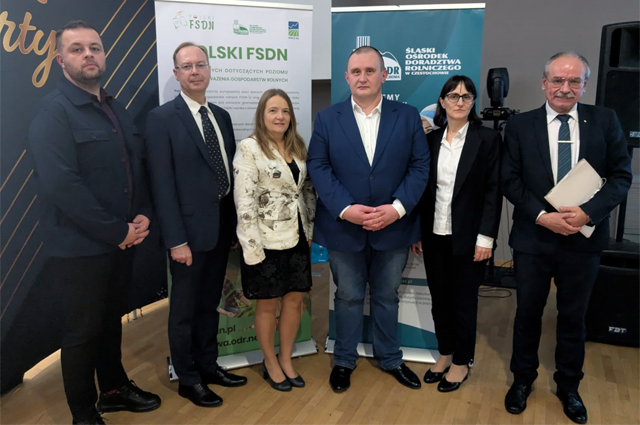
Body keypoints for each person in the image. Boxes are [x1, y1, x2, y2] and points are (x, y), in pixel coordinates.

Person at [28, 20, 161, 425]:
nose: (88, 54)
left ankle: (114, 390)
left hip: (121, 240)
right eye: (77, 49)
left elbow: (132, 167)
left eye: (95, 47)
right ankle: (84, 415)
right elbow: (62, 186)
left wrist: (142, 213)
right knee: (82, 333)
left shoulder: (114, 107)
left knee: (109, 321)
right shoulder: (53, 113)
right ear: (60, 60)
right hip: (79, 248)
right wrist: (116, 231)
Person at [501, 51, 632, 424]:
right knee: (527, 313)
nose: (565, 88)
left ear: (585, 85)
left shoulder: (605, 120)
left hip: (583, 238)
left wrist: (589, 212)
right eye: (558, 80)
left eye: (575, 81)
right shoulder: (520, 125)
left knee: (573, 316)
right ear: (545, 83)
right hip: (533, 238)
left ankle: (569, 386)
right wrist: (544, 217)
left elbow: (621, 176)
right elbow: (510, 179)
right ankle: (522, 380)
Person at [307, 46, 430, 393]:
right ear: (346, 77)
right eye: (356, 72)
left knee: (387, 296)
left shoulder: (407, 116)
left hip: (394, 226)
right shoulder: (327, 118)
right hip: (344, 227)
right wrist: (346, 208)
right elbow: (318, 166)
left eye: (370, 70)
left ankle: (390, 357)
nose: (363, 77)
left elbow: (420, 166)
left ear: (384, 75)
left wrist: (397, 209)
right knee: (347, 296)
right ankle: (344, 359)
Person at [145, 42, 247, 408]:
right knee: (184, 311)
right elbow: (161, 184)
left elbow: (227, 175)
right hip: (186, 237)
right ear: (176, 74)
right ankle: (188, 379)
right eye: (186, 66)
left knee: (209, 305)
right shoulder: (161, 119)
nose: (194, 71)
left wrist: (232, 227)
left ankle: (208, 365)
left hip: (219, 231)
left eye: (200, 64)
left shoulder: (220, 116)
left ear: (209, 69)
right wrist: (175, 240)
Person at [411, 76, 502, 393]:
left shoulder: (487, 139)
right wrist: (418, 231)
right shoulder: (430, 140)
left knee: (464, 302)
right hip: (434, 234)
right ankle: (445, 353)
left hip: (469, 238)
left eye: (466, 96)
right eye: (453, 96)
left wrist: (486, 238)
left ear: (473, 101)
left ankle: (462, 362)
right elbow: (423, 192)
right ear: (442, 101)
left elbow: (493, 191)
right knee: (440, 301)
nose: (459, 101)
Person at [233, 89, 316, 392]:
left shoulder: (298, 146)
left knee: (294, 300)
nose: (280, 116)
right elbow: (244, 201)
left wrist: (309, 230)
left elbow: (306, 190)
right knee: (267, 304)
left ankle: (286, 358)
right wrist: (251, 247)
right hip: (264, 241)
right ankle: (269, 362)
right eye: (273, 111)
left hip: (297, 237)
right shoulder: (249, 148)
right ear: (262, 115)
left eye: (285, 111)